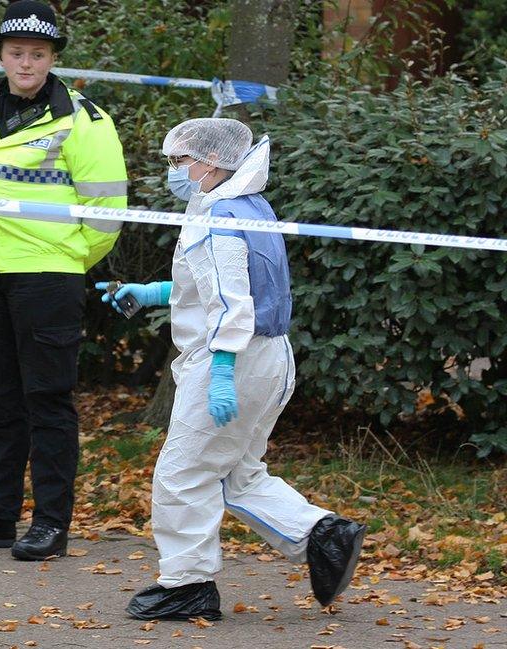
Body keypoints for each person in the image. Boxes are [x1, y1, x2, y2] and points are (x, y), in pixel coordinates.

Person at [96, 118, 365, 620]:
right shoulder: (245, 206)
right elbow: (217, 287)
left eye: (180, 161)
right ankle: (324, 535)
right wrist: (150, 293)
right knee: (237, 475)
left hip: (234, 360)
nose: (175, 171)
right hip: (269, 357)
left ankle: (185, 586)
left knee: (182, 477)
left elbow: (230, 305)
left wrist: (220, 370)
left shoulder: (220, 218)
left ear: (212, 161)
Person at [0, 0, 128, 561]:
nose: (26, 63)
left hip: (48, 274)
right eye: (17, 52)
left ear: (52, 58)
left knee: (47, 399)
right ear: (1, 54)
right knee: (1, 399)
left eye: (37, 54)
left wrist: (66, 258)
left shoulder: (83, 119)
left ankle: (50, 523)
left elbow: (106, 211)